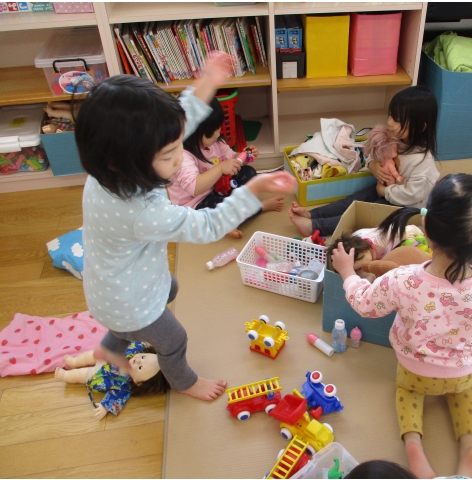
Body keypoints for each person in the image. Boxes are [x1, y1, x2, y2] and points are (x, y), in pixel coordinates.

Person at [74, 53, 297, 402]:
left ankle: (110, 347)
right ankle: (184, 382)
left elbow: (180, 119)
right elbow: (208, 225)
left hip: (108, 288)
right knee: (173, 339)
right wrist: (253, 190)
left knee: (171, 288)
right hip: (129, 304)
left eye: (178, 146)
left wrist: (208, 81)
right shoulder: (143, 212)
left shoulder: (104, 172)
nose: (180, 159)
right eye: (168, 156)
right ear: (126, 162)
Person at [331, 174, 472, 479]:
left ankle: (414, 445)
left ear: (425, 228)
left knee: (406, 391)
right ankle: (471, 447)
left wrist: (348, 272)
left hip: (414, 369)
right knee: (463, 394)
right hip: (464, 372)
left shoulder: (403, 278)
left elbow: (365, 303)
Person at [289, 85, 440, 237]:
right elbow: (373, 153)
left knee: (364, 214)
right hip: (386, 189)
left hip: (406, 206)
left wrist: (385, 192)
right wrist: (373, 165)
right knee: (354, 199)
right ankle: (313, 215)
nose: (390, 122)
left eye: (398, 120)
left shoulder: (423, 162)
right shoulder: (396, 138)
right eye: (391, 115)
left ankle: (315, 226)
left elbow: (412, 195)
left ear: (420, 127)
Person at [168, 97, 284, 239]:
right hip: (195, 205)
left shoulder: (216, 141)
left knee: (249, 173)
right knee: (214, 215)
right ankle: (259, 207)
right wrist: (220, 168)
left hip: (218, 187)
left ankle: (231, 218)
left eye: (219, 128)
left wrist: (244, 156)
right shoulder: (182, 155)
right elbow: (195, 187)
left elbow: (232, 159)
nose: (218, 134)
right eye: (212, 132)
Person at [54, 342, 168, 419]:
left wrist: (105, 407)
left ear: (138, 381)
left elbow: (117, 397)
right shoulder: (136, 349)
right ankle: (74, 362)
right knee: (91, 355)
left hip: (99, 376)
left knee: (80, 375)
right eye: (143, 357)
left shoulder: (125, 386)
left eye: (140, 367)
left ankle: (66, 375)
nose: (137, 361)